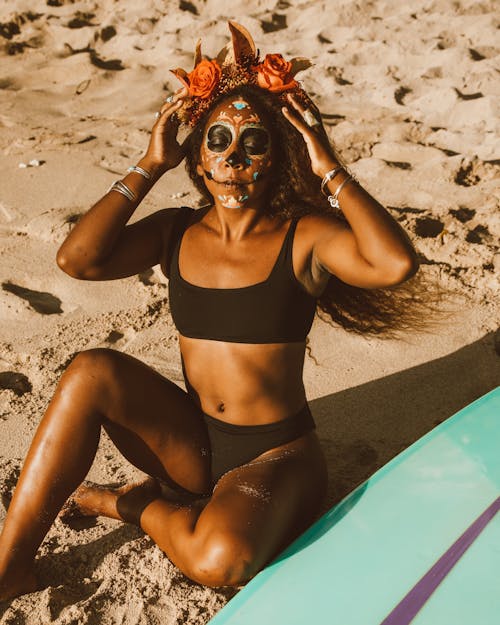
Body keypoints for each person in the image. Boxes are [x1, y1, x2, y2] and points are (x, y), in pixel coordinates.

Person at [0, 21, 419, 601]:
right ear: (198, 159)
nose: (233, 156)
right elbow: (78, 260)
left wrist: (328, 167)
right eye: (217, 140)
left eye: (253, 143)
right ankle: (11, 564)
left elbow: (395, 264)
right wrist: (150, 164)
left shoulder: (306, 236)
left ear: (274, 157)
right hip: (191, 446)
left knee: (220, 560)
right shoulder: (176, 231)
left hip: (277, 459)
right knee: (89, 371)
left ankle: (138, 504)